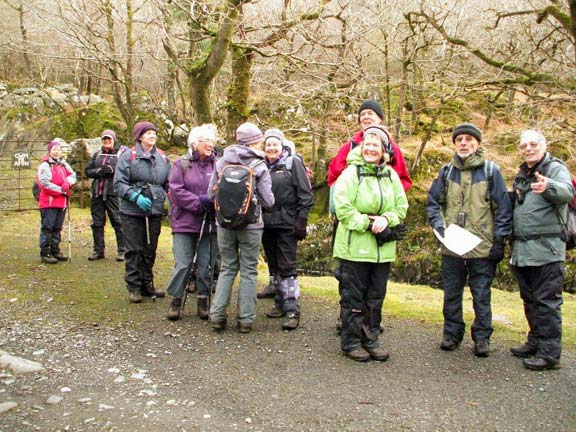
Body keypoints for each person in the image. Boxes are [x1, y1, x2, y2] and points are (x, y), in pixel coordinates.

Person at [426, 123, 512, 357]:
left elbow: (503, 209)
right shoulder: (446, 172)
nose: (464, 143)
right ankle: (451, 333)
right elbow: (433, 203)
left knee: (481, 294)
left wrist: (499, 240)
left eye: (469, 139)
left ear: (478, 143)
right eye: (459, 139)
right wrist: (438, 226)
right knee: (451, 293)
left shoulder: (491, 172)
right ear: (454, 144)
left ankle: (482, 337)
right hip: (452, 245)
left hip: (481, 246)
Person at [333, 125, 408, 362]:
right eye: (367, 145)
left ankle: (370, 339)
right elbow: (342, 207)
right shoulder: (351, 173)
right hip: (355, 246)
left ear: (385, 150)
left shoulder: (391, 175)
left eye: (376, 145)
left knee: (376, 297)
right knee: (354, 296)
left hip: (382, 249)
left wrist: (387, 219)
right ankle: (351, 342)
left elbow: (401, 206)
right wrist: (367, 223)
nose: (371, 149)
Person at [509, 130, 574, 371]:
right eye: (524, 145)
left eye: (533, 144)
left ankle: (549, 353)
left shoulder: (555, 169)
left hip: (547, 249)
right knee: (530, 300)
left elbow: (567, 192)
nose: (528, 148)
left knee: (547, 302)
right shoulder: (521, 174)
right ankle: (535, 341)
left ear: (544, 146)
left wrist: (549, 186)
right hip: (523, 250)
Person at [208, 122, 275, 333]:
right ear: (254, 141)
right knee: (248, 270)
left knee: (227, 268)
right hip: (251, 225)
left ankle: (217, 316)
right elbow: (269, 201)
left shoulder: (221, 163)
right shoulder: (259, 165)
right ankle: (245, 320)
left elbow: (211, 193)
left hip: (225, 224)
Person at [260, 128, 313, 330]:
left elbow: (305, 195)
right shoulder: (260, 166)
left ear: (282, 146)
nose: (272, 148)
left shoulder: (293, 164)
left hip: (287, 224)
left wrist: (301, 221)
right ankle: (280, 303)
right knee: (274, 266)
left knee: (288, 267)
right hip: (266, 224)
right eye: (268, 144)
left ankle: (293, 310)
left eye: (275, 144)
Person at [114, 121, 171, 303]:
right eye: (148, 133)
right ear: (140, 136)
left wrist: (168, 199)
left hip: (154, 209)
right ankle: (134, 286)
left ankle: (147, 283)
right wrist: (134, 196)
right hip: (132, 210)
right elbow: (119, 183)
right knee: (134, 249)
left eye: (154, 133)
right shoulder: (128, 156)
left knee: (150, 248)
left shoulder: (163, 158)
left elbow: (168, 183)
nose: (152, 136)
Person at [165, 124, 218, 321]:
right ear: (195, 143)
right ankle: (176, 298)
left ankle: (203, 299)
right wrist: (199, 202)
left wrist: (214, 200)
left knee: (206, 264)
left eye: (212, 141)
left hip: (210, 223)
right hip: (184, 222)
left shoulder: (218, 164)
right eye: (207, 141)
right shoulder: (181, 164)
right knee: (183, 263)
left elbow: (223, 187)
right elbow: (176, 191)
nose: (211, 145)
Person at [327, 99, 412, 193]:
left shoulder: (391, 147)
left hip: (383, 204)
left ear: (379, 119)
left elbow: (403, 180)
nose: (366, 117)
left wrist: (390, 197)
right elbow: (333, 176)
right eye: (363, 114)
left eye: (370, 113)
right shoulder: (349, 147)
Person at [85, 130, 127, 262]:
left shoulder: (122, 153)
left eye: (109, 139)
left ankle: (123, 250)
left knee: (118, 221)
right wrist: (98, 171)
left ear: (114, 139)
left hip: (113, 193)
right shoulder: (97, 154)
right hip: (97, 192)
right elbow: (88, 171)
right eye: (104, 139)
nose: (106, 141)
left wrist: (113, 171)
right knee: (97, 223)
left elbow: (127, 170)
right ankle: (98, 250)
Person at [37, 140, 77, 264]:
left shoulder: (63, 164)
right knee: (47, 227)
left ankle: (55, 250)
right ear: (49, 151)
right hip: (49, 202)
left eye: (58, 149)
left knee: (57, 227)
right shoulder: (45, 165)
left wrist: (68, 183)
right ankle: (45, 252)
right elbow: (44, 184)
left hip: (61, 202)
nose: (56, 152)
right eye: (54, 149)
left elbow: (73, 175)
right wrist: (62, 190)